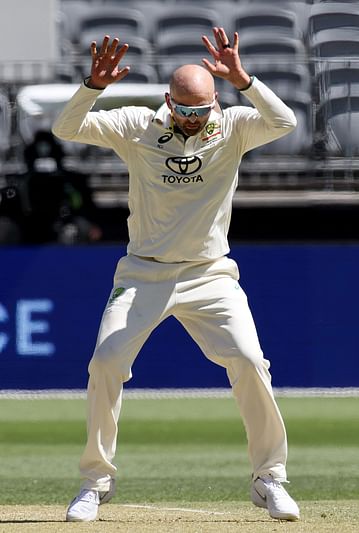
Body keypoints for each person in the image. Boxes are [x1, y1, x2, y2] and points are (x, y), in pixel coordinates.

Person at [52, 29, 300, 523]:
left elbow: (284, 120)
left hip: (211, 275)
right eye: (185, 108)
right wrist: (92, 86)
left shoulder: (232, 126)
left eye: (202, 108)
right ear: (169, 101)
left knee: (251, 362)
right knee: (105, 363)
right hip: (143, 273)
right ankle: (95, 483)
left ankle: (269, 478)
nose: (193, 117)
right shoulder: (136, 126)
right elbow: (66, 127)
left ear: (215, 102)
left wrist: (243, 80)